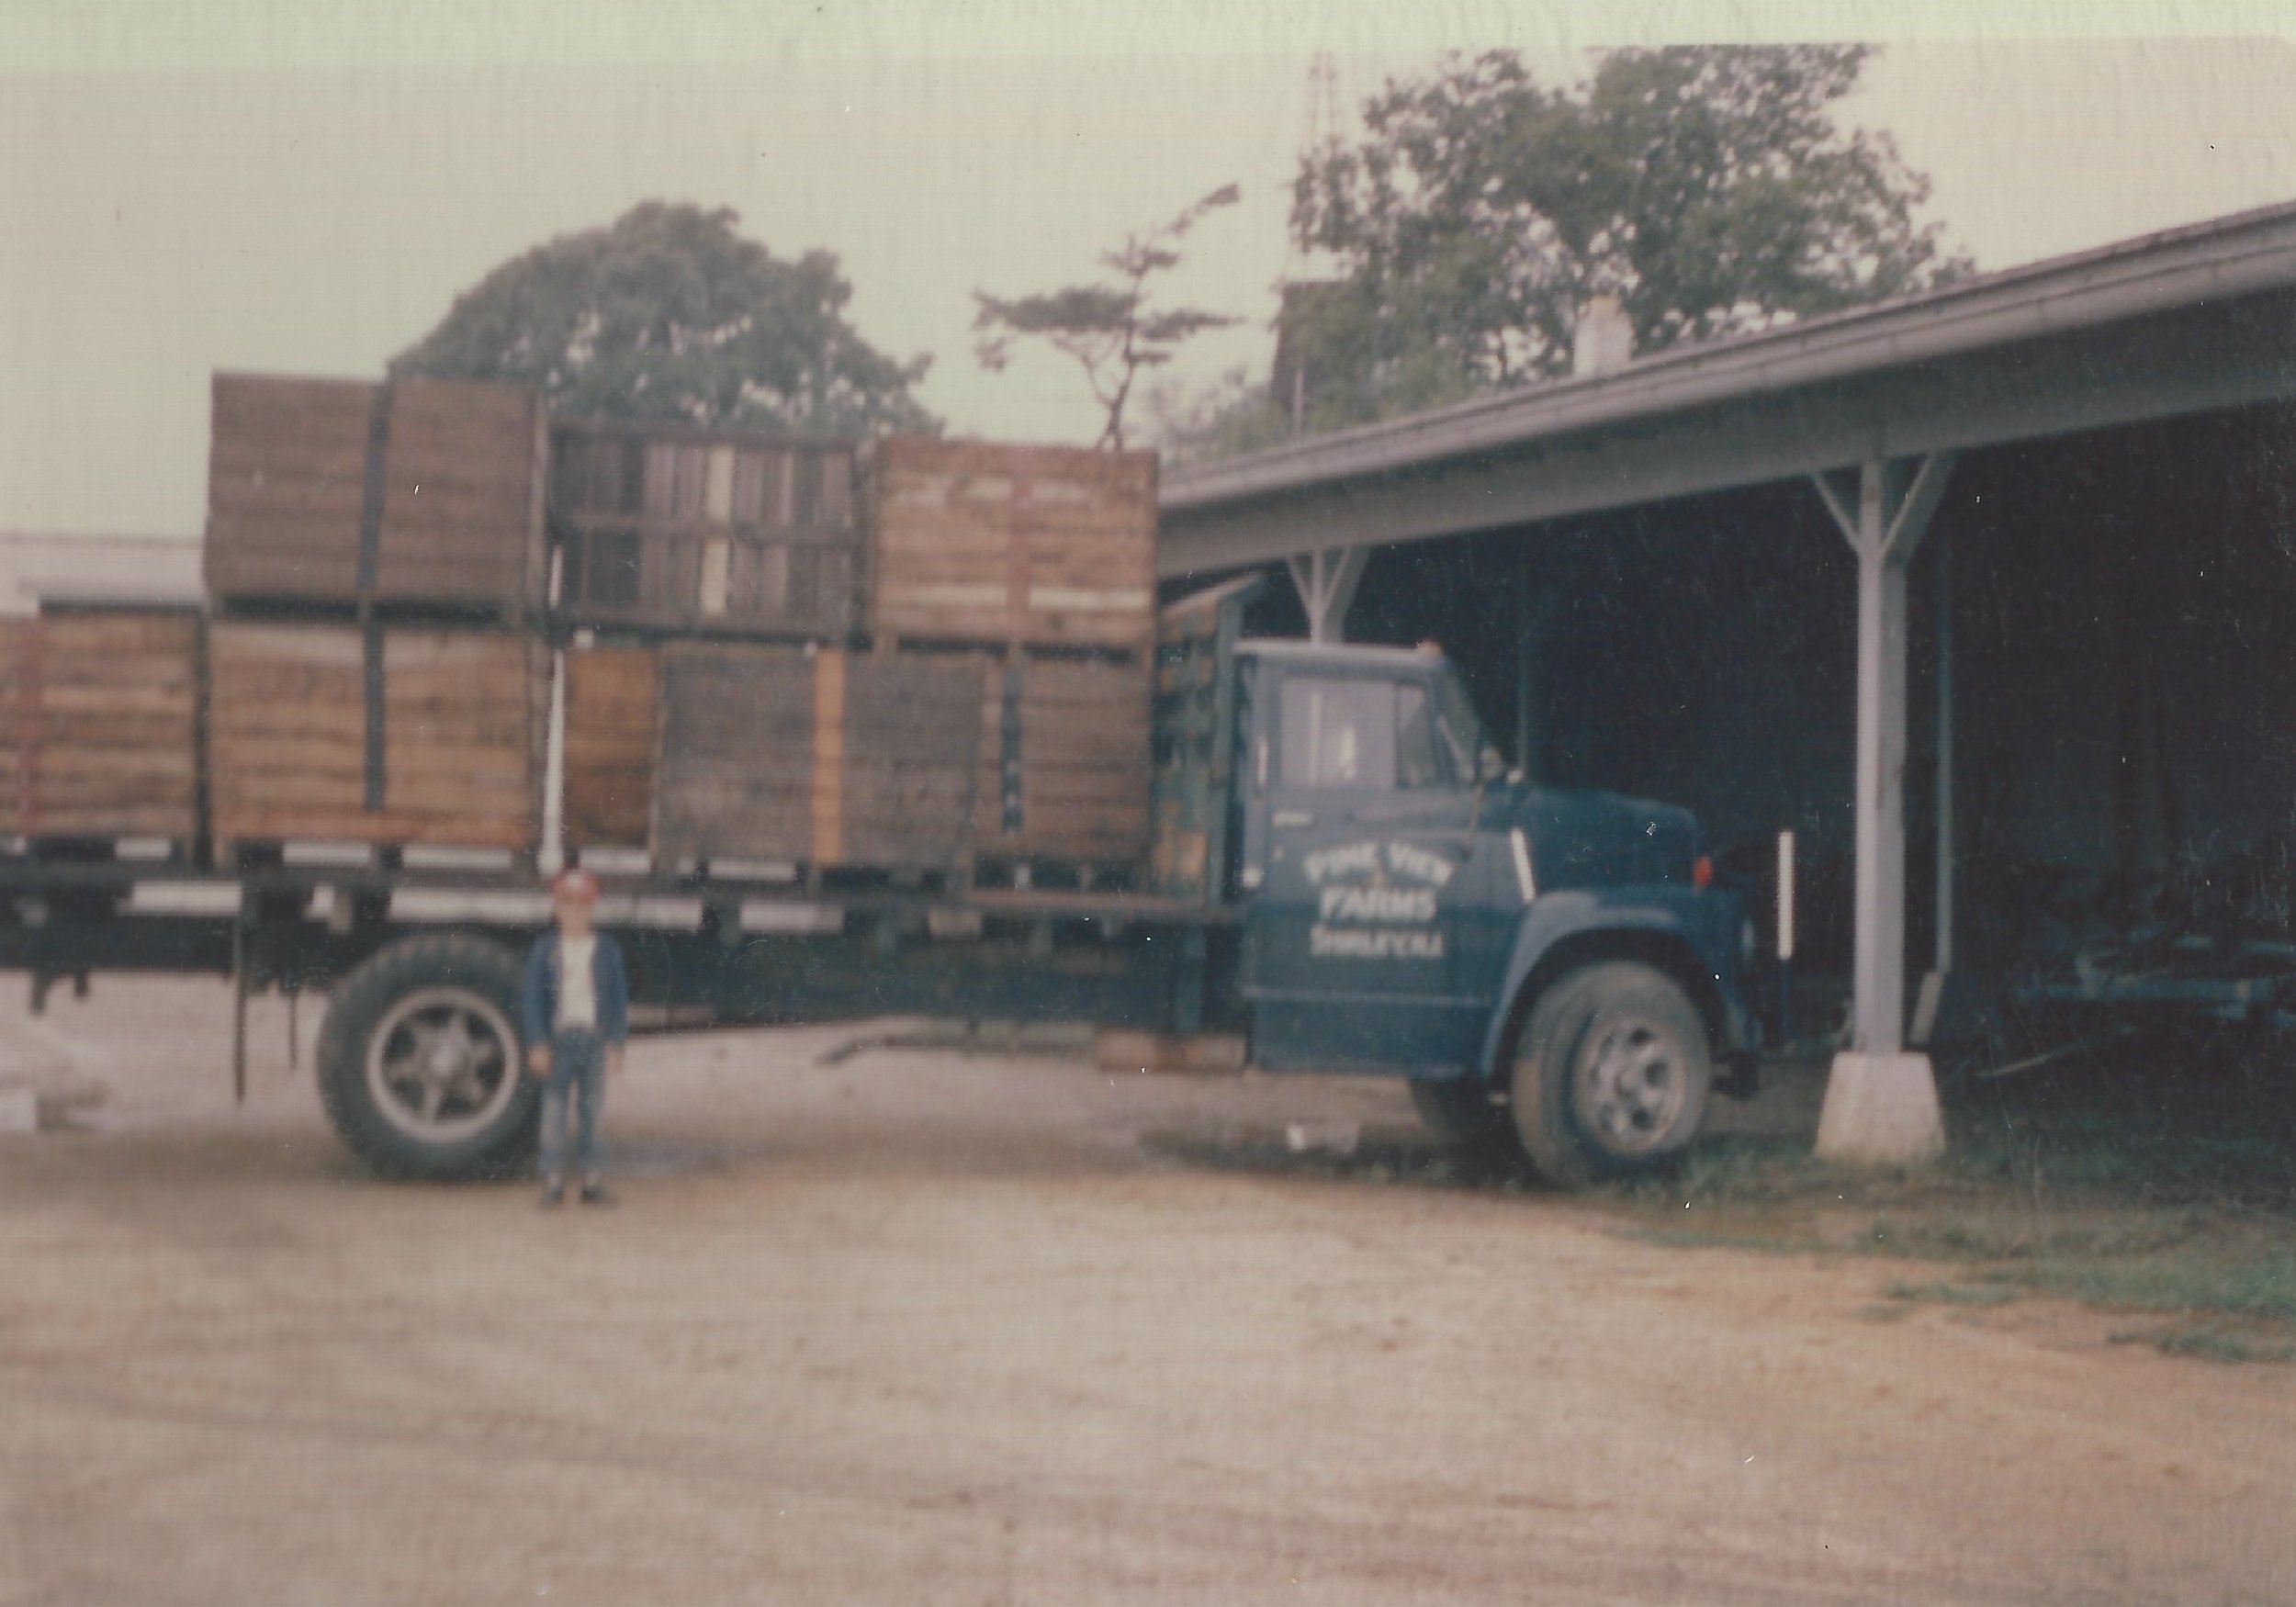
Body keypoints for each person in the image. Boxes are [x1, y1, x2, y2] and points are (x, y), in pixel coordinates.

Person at [521, 866, 630, 1208]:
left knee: (591, 1114)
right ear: (556, 908)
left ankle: (591, 1181)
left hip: (594, 1041)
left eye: (582, 904)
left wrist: (616, 1043)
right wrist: (537, 1042)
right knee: (553, 1113)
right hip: (559, 1041)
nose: (574, 911)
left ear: (592, 908)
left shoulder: (607, 950)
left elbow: (617, 999)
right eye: (566, 904)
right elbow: (532, 1000)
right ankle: (553, 1180)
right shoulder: (545, 950)